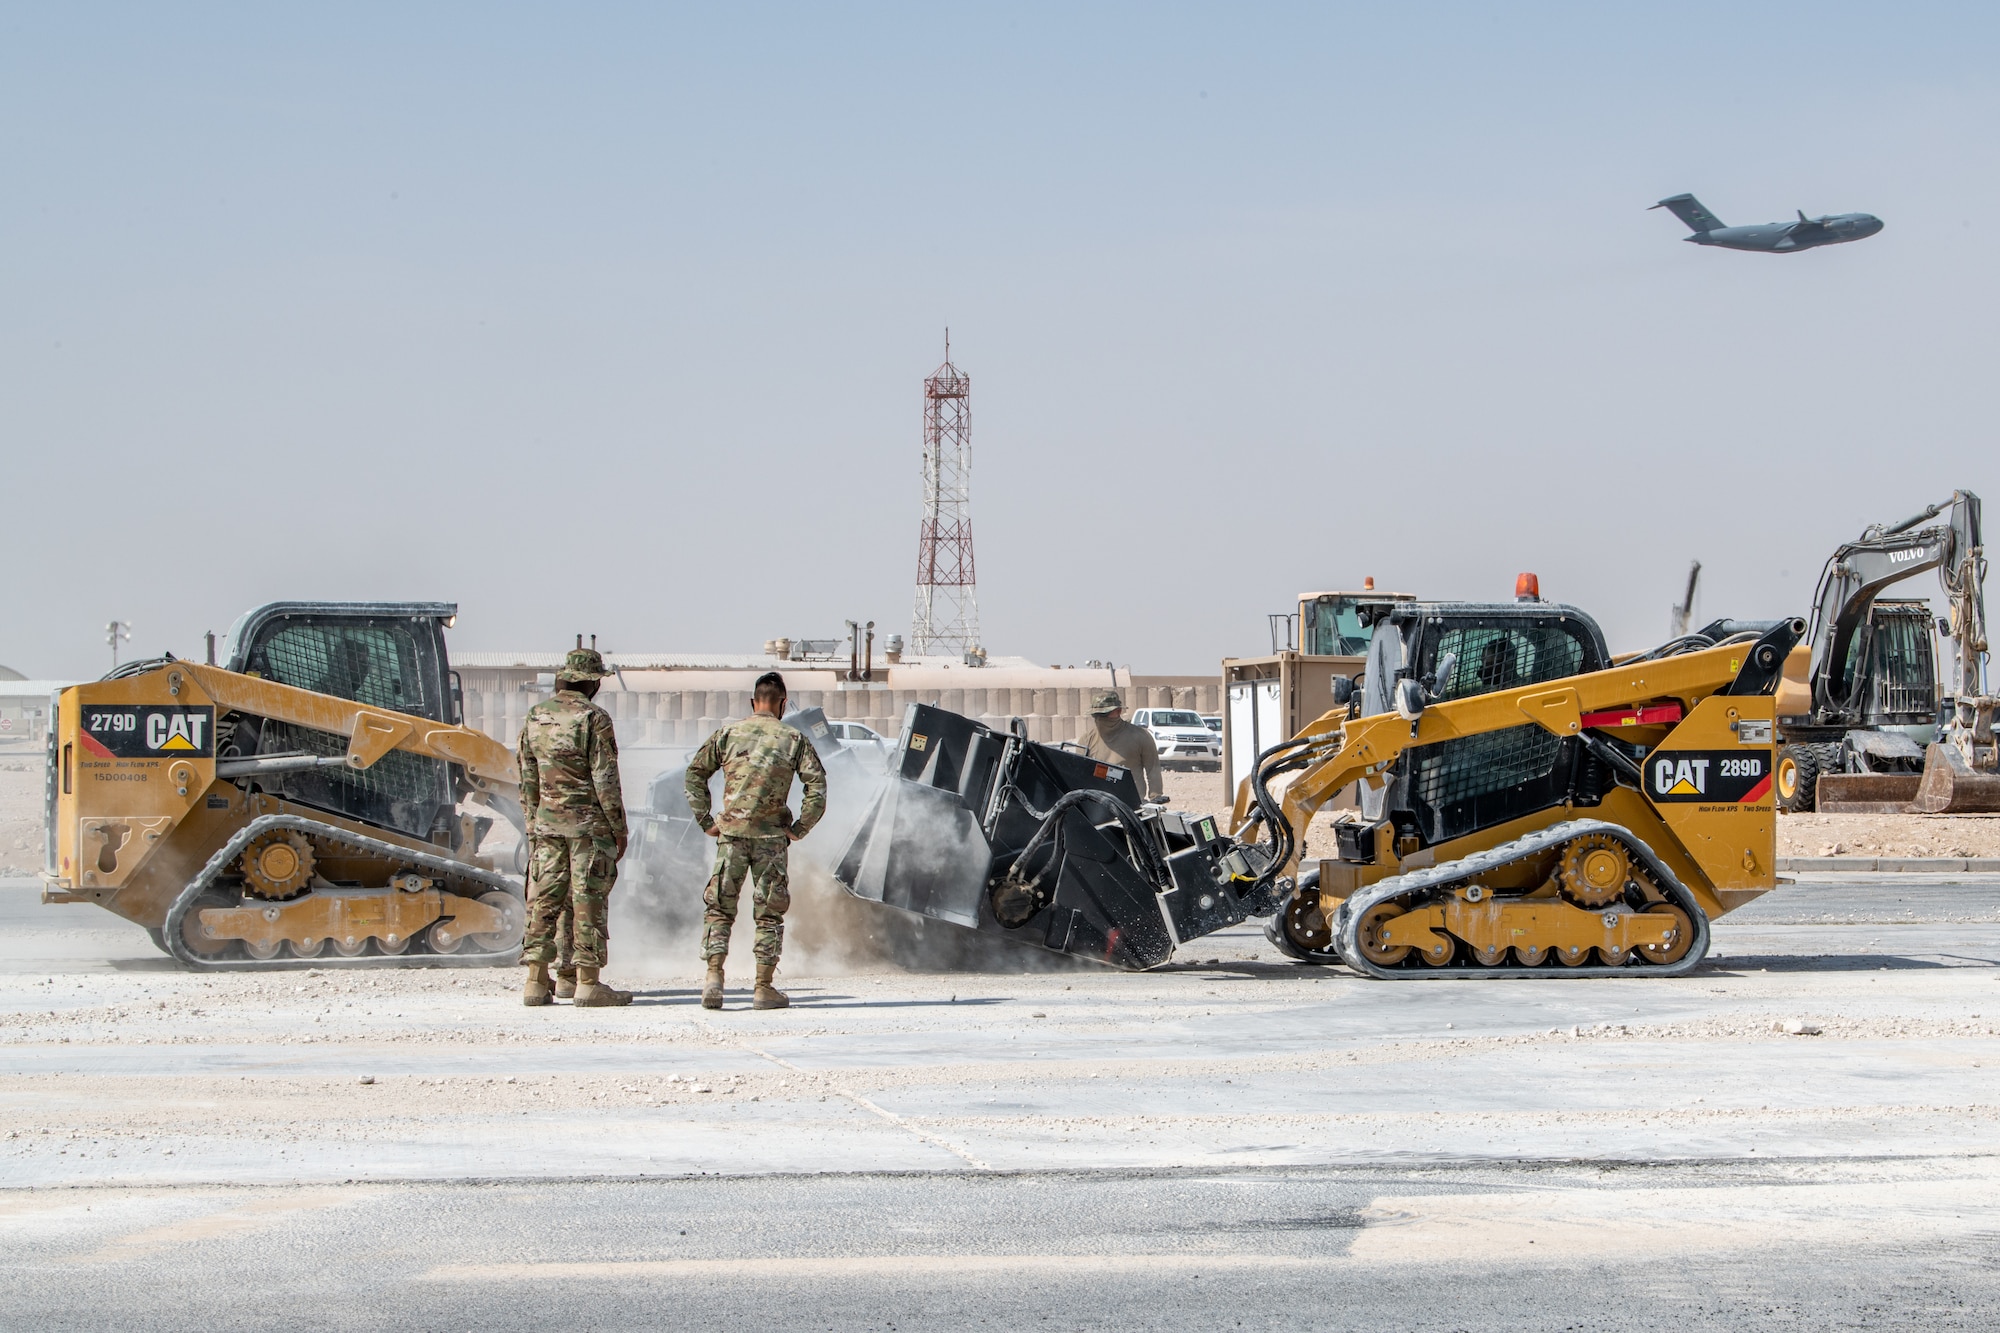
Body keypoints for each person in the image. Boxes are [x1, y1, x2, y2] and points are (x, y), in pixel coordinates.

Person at [684, 671, 827, 1011]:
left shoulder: (729, 734)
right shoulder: (793, 739)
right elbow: (817, 787)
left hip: (730, 838)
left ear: (753, 702)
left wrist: (706, 820)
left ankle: (714, 979)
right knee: (769, 915)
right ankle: (763, 988)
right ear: (782, 704)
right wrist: (800, 828)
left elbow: (694, 774)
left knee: (719, 909)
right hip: (771, 842)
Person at [516, 643, 631, 1008]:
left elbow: (527, 779)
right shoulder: (594, 719)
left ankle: (536, 981)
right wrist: (618, 828)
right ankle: (586, 983)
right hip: (588, 830)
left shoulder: (535, 716)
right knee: (587, 902)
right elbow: (605, 780)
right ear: (592, 684)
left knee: (543, 901)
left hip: (546, 827)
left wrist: (534, 824)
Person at [1072, 689, 1166, 803]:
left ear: (1118, 711)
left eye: (1105, 713)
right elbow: (1079, 775)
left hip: (1132, 804)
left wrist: (1156, 798)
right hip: (1097, 804)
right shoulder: (1087, 739)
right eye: (1097, 714)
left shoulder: (1140, 736)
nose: (1101, 718)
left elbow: (1153, 769)